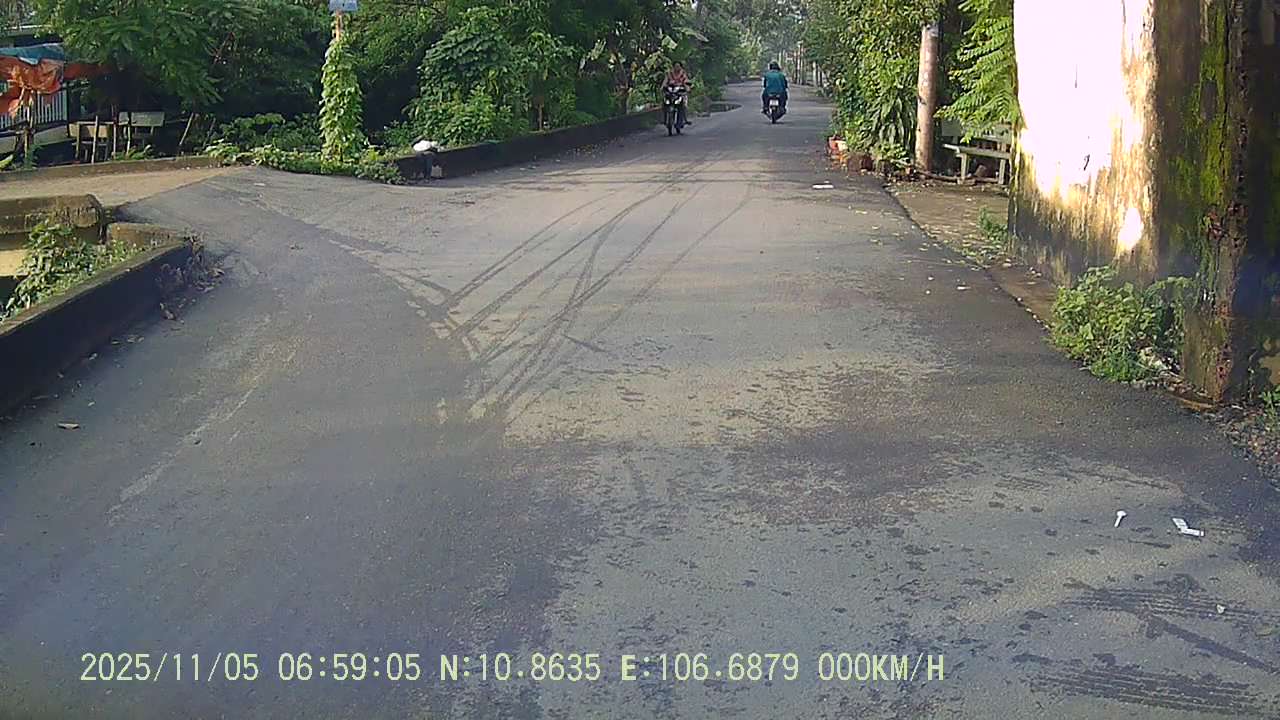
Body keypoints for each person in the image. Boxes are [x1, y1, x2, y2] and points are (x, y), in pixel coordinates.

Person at [664, 62, 691, 126]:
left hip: (680, 92)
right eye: (676, 66)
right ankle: (665, 119)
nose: (677, 68)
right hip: (671, 92)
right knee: (664, 103)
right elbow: (665, 81)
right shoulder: (669, 73)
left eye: (678, 66)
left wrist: (687, 88)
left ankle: (684, 119)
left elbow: (686, 81)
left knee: (683, 105)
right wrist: (663, 87)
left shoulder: (683, 73)